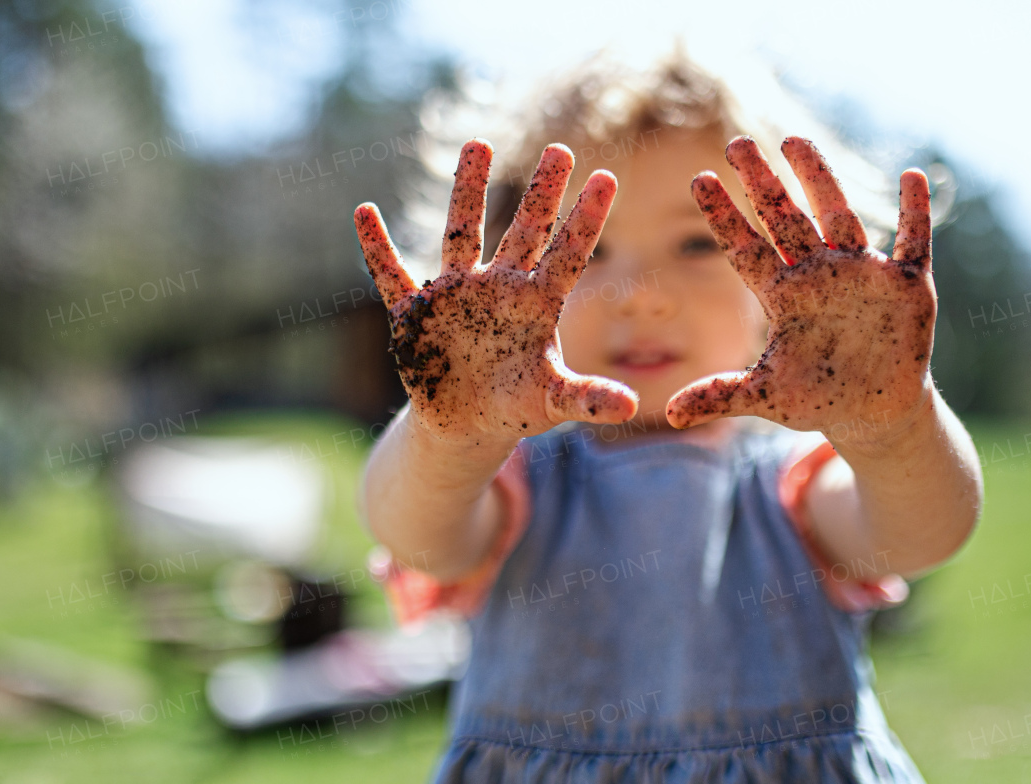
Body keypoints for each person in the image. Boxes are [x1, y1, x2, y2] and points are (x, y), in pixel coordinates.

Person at [352, 52, 983, 783]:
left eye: (698, 242)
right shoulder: (514, 485)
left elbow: (922, 535)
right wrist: (450, 438)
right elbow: (416, 534)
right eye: (583, 251)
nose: (640, 296)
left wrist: (892, 428)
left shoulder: (794, 488)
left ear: (785, 273)